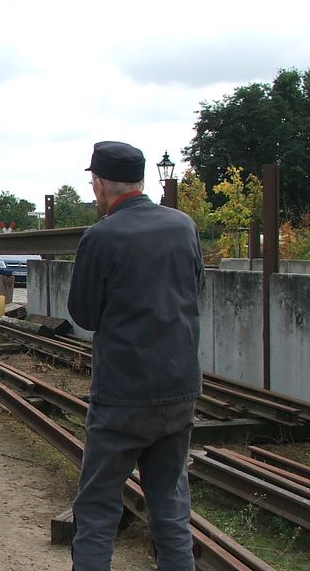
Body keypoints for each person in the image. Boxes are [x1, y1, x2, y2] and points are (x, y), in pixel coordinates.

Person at [67, 141, 205, 571]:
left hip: (123, 398)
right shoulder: (184, 226)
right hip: (179, 391)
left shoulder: (101, 235)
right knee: (171, 506)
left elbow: (85, 315)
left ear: (100, 184)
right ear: (142, 180)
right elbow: (195, 291)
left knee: (98, 509)